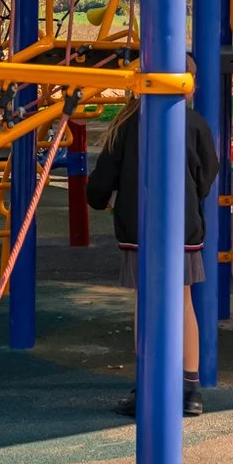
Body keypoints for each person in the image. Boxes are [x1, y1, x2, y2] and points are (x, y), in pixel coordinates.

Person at [87, 92, 220, 418]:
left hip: (139, 227)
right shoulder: (194, 122)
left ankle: (148, 384)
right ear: (189, 87)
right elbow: (209, 170)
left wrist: (101, 199)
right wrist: (193, 196)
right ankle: (191, 389)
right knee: (184, 300)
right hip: (182, 226)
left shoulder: (126, 125)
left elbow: (102, 179)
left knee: (146, 303)